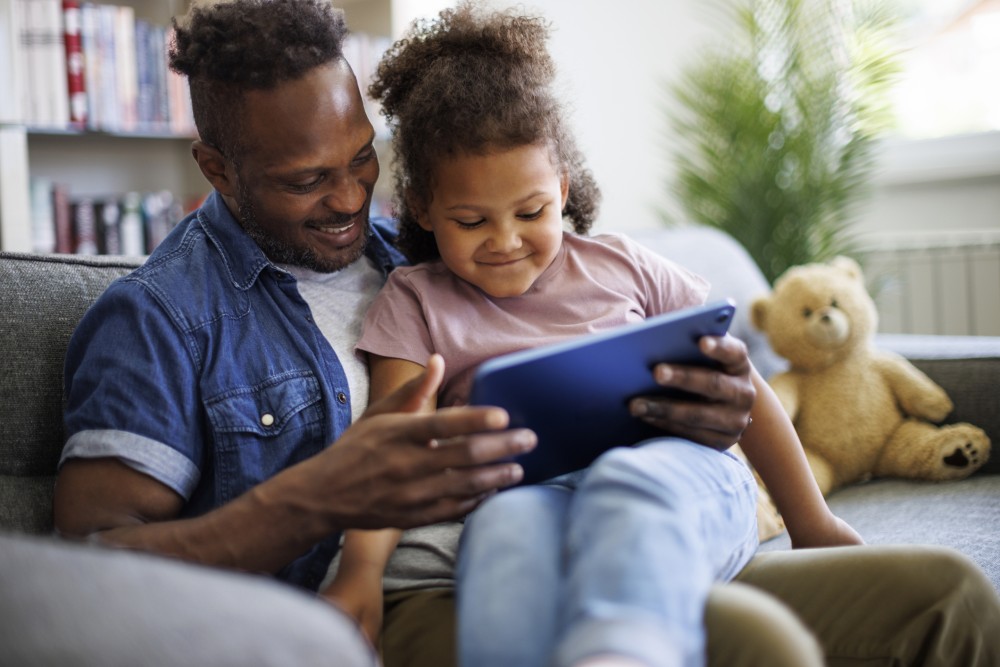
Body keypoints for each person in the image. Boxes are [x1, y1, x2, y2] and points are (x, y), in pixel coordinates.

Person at [47, 1, 755, 666]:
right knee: (764, 643)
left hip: (587, 537)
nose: (352, 196)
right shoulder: (161, 317)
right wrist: (312, 500)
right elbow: (85, 571)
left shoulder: (430, 251)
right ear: (218, 171)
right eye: (308, 179)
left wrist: (712, 402)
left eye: (361, 156)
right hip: (400, 607)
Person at [326, 3, 1000, 667]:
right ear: (422, 207)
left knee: (629, 479)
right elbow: (394, 447)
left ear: (561, 188)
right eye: (471, 221)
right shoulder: (415, 300)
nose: (504, 241)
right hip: (524, 495)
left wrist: (811, 523)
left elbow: (744, 386)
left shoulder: (624, 266)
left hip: (681, 476)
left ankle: (626, 649)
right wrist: (360, 566)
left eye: (530, 211)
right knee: (502, 535)